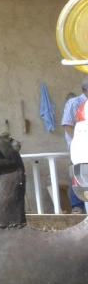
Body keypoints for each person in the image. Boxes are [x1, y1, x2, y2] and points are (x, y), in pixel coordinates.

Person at [62, 79, 88, 213]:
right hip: (79, 146)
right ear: (85, 90)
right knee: (79, 176)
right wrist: (80, 141)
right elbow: (68, 126)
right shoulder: (75, 103)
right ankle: (77, 206)